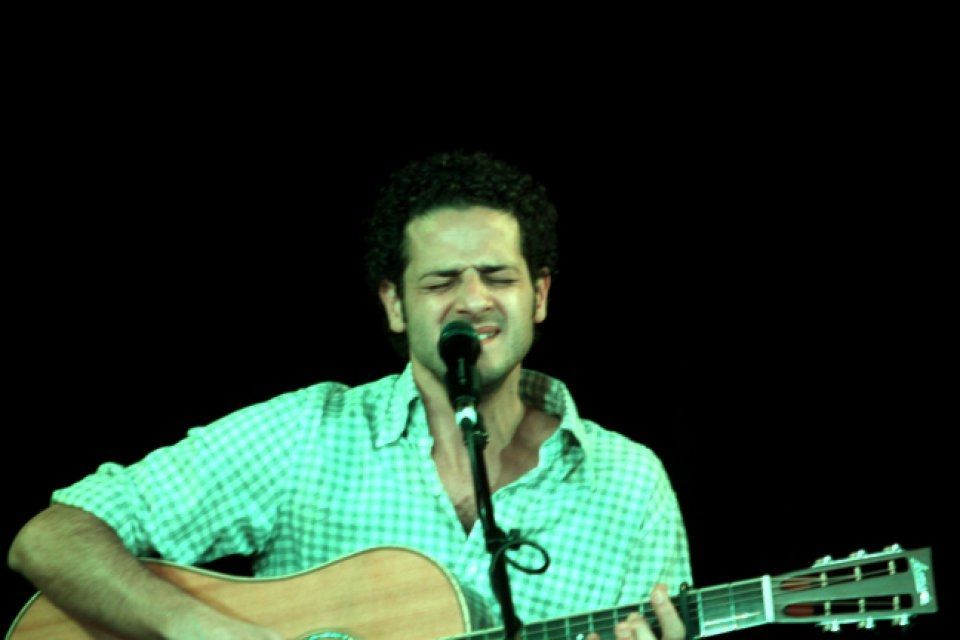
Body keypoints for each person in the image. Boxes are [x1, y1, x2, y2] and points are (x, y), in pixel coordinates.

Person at [8, 151, 692, 640]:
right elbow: (51, 538)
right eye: (440, 281)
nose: (473, 301)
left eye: (497, 276)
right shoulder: (308, 433)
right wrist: (202, 629)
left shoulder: (630, 484)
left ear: (539, 295)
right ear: (395, 305)